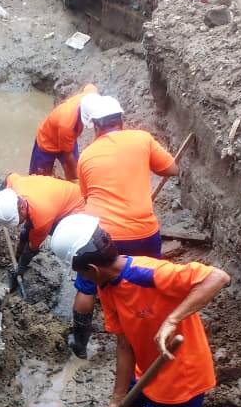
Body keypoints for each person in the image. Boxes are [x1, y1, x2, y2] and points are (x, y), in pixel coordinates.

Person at [50, 213, 230, 407]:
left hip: (179, 376)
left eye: (80, 274)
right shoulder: (106, 287)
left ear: (92, 268)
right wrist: (117, 397)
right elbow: (124, 342)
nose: (81, 280)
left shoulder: (149, 273)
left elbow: (218, 277)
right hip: (146, 366)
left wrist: (173, 319)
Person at [67, 95, 180, 358]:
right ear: (121, 120)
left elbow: (86, 197)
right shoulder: (142, 139)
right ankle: (154, 331)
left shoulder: (86, 156)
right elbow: (172, 169)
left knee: (87, 285)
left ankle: (80, 344)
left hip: (100, 236)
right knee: (151, 280)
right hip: (143, 230)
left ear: (95, 126)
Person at [0, 173, 84, 290]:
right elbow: (9, 176)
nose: (17, 224)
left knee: (57, 235)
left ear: (22, 208)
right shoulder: (15, 184)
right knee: (27, 230)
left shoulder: (42, 219)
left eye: (17, 220)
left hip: (78, 207)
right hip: (55, 198)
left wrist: (21, 267)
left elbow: (32, 249)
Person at [30, 83, 99, 180]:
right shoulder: (67, 124)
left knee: (75, 168)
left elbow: (90, 86)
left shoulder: (90, 96)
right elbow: (68, 156)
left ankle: (71, 184)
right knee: (38, 179)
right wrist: (77, 180)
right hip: (47, 143)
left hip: (68, 138)